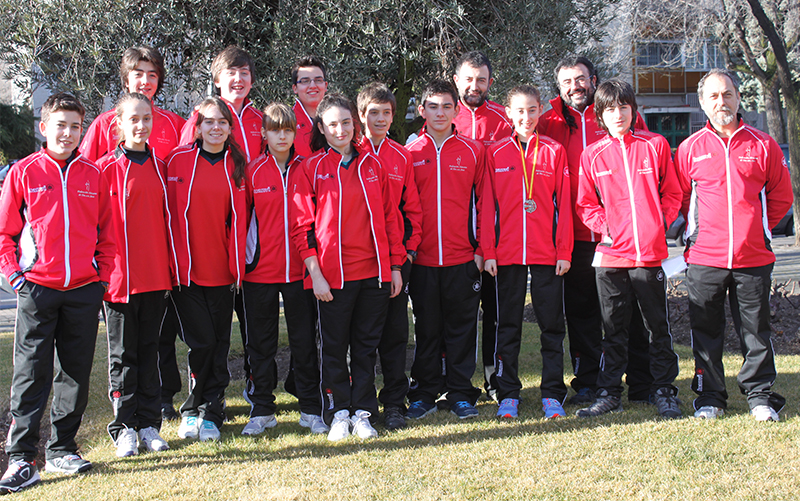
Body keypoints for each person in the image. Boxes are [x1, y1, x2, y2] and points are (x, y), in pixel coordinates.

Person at [0, 92, 114, 494]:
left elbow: (108, 235)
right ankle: (21, 459)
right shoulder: (24, 172)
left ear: (83, 130)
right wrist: (17, 278)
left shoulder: (93, 175)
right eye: (60, 125)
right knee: (31, 375)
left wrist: (101, 277)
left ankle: (63, 448)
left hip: (83, 292)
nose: (67, 133)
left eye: (75, 126)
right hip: (37, 292)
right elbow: (4, 235)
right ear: (44, 127)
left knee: (75, 374)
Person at [674, 68, 793, 421]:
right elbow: (680, 198)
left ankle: (759, 397)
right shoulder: (689, 148)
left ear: (739, 98)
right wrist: (699, 232)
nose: (721, 101)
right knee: (705, 331)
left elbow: (781, 197)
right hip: (705, 258)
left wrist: (756, 230)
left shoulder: (763, 144)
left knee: (755, 330)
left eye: (727, 94)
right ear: (702, 102)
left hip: (752, 256)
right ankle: (711, 398)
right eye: (713, 96)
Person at [539, 56, 654, 405]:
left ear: (593, 79)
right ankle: (588, 382)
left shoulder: (614, 111)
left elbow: (645, 152)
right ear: (559, 88)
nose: (575, 86)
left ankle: (641, 383)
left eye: (581, 79)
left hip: (625, 237)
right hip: (575, 236)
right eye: (567, 82)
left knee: (629, 313)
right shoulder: (549, 121)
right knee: (583, 313)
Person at [291, 93, 405, 441]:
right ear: (322, 129)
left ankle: (363, 412)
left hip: (374, 275)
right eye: (332, 124)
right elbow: (302, 227)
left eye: (345, 122)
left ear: (355, 124)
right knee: (335, 348)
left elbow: (390, 219)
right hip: (332, 279)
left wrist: (395, 267)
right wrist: (316, 275)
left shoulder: (373, 165)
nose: (340, 129)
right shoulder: (310, 168)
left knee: (366, 347)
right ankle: (339, 411)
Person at [574, 79, 682, 419]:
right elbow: (585, 204)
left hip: (649, 255)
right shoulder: (592, 155)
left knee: (656, 328)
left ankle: (663, 389)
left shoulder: (656, 145)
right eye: (609, 109)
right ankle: (608, 392)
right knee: (613, 328)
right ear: (600, 116)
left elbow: (673, 193)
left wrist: (657, 223)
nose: (617, 114)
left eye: (623, 107)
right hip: (610, 258)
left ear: (633, 110)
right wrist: (606, 227)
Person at [482, 85, 573, 419]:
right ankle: (508, 393)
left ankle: (552, 392)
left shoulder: (554, 150)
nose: (526, 117)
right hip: (506, 254)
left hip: (547, 253)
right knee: (508, 325)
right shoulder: (495, 153)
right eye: (519, 111)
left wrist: (564, 250)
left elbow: (564, 203)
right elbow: (487, 206)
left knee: (552, 324)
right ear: (508, 112)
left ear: (540, 112)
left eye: (532, 110)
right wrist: (488, 250)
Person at [240, 102, 327, 436]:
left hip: (301, 273)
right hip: (259, 272)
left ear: (295, 133)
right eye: (275, 129)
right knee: (261, 345)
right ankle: (262, 408)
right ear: (263, 133)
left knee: (304, 342)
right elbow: (240, 222)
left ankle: (309, 408)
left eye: (288, 129)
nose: (282, 135)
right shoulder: (252, 171)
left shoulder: (307, 168)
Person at [97, 93, 175, 457]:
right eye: (134, 119)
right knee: (123, 357)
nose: (141, 125)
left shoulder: (161, 167)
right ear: (119, 123)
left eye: (147, 118)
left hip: (155, 277)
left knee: (150, 353)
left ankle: (148, 423)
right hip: (119, 281)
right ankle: (123, 427)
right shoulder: (102, 170)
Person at [404, 79, 486, 420]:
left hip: (462, 258)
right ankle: (423, 392)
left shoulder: (472, 150)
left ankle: (461, 393)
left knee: (462, 329)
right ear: (422, 110)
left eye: (446, 106)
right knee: (426, 328)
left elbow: (485, 204)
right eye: (433, 106)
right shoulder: (410, 153)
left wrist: (482, 249)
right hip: (422, 259)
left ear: (456, 110)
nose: (440, 112)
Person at [167, 96, 247, 441]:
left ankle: (212, 412)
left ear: (230, 129)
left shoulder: (238, 165)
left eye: (222, 123)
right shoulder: (176, 162)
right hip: (186, 272)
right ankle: (192, 409)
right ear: (197, 127)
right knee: (199, 343)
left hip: (224, 273)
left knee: (218, 343)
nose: (216, 128)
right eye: (209, 122)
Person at [356, 82, 423, 430]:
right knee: (363, 338)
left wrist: (407, 255)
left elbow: (412, 212)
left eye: (386, 113)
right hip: (358, 264)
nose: (380, 119)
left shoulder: (401, 156)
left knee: (395, 335)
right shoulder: (349, 151)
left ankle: (395, 402)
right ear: (361, 116)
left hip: (396, 263)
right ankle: (363, 404)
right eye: (373, 113)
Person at [452, 50, 513, 401]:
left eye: (481, 80)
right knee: (457, 315)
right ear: (457, 79)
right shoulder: (443, 115)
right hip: (457, 236)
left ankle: (494, 379)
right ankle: (454, 381)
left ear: (490, 82)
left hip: (496, 235)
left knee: (494, 312)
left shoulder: (504, 120)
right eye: (468, 79)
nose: (475, 86)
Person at [80, 46, 186, 162]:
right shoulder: (105, 123)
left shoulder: (174, 124)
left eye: (152, 75)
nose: (145, 81)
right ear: (126, 80)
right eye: (138, 74)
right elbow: (83, 168)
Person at [180, 46, 263, 162]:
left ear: (252, 81)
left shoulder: (261, 119)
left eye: (244, 73)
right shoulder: (201, 118)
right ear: (217, 81)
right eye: (231, 73)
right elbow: (184, 160)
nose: (238, 79)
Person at [291, 56, 329, 158]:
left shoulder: (339, 119)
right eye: (305, 81)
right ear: (295, 88)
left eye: (318, 80)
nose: (312, 85)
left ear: (325, 85)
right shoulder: (286, 122)